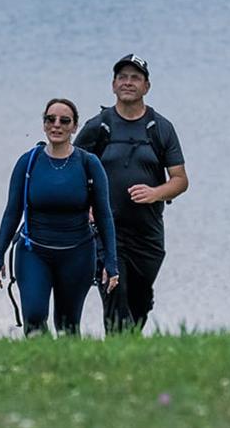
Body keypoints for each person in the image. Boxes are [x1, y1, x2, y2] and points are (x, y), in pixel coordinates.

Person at [74, 53, 188, 334]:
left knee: (139, 301)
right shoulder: (97, 127)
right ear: (113, 85)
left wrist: (155, 193)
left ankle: (131, 347)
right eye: (122, 77)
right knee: (114, 295)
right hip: (106, 231)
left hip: (147, 232)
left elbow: (180, 180)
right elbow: (72, 171)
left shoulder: (160, 128)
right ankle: (115, 351)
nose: (128, 82)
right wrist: (85, 204)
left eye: (135, 78)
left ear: (146, 86)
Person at [0, 98, 119, 336]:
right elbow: (12, 212)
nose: (56, 125)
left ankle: (65, 371)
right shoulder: (28, 162)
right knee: (34, 317)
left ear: (75, 126)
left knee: (68, 326)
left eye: (64, 120)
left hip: (78, 254)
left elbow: (104, 216)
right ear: (44, 124)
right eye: (50, 119)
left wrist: (111, 262)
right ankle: (36, 369)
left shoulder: (89, 164)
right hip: (33, 251)